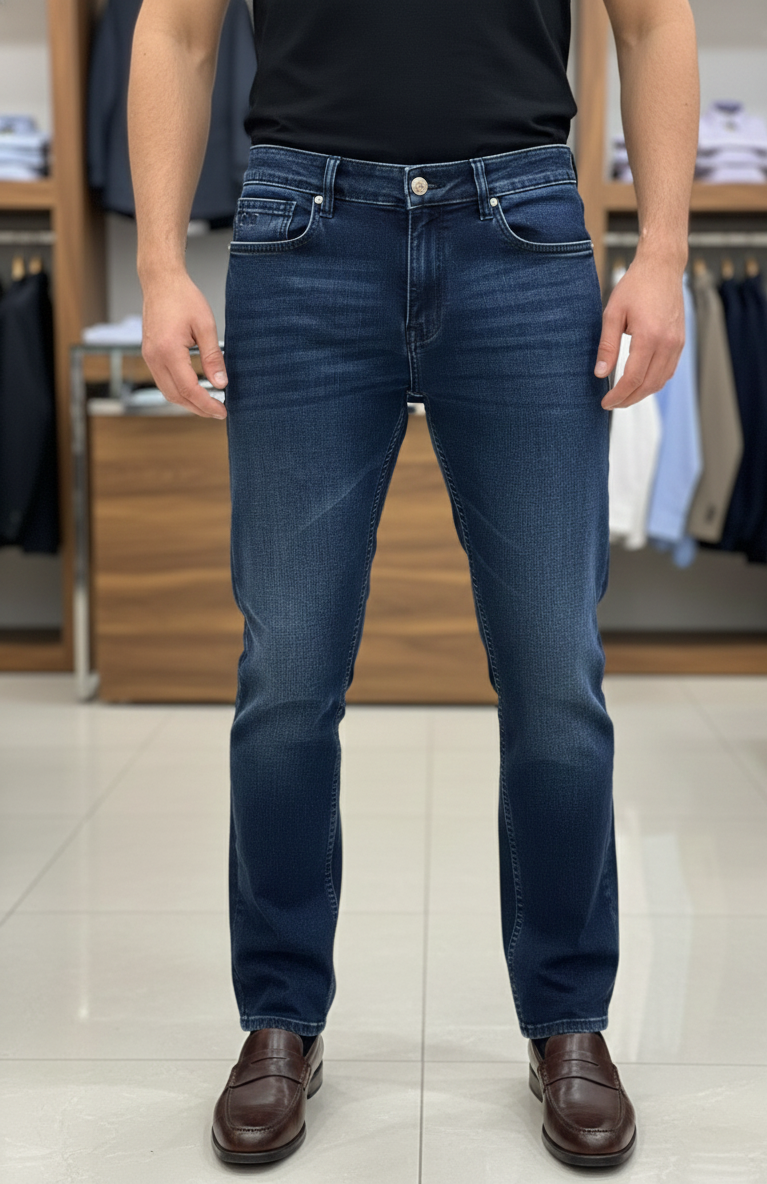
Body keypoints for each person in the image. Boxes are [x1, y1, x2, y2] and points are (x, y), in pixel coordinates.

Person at [129, 0, 698, 1168]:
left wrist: (664, 253)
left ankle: (569, 1019)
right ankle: (279, 1017)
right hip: (302, 231)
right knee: (288, 670)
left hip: (521, 228)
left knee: (553, 666)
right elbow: (173, 30)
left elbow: (653, 22)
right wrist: (157, 262)